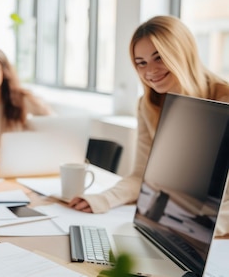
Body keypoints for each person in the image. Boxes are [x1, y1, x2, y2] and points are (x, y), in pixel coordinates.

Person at [69, 16, 229, 236]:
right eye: (141, 62)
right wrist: (103, 199)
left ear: (183, 53)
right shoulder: (149, 105)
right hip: (176, 224)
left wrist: (199, 227)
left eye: (159, 57)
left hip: (211, 232)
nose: (150, 71)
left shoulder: (223, 101)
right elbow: (141, 177)